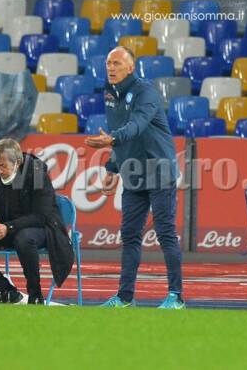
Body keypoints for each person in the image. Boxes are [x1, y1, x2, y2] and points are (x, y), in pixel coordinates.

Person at [84, 46, 185, 309]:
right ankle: (125, 297)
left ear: (130, 67)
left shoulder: (146, 91)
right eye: (108, 63)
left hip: (159, 170)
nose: (111, 67)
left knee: (165, 233)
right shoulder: (109, 93)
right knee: (129, 235)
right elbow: (120, 133)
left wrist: (113, 139)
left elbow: (137, 125)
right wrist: (112, 168)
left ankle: (176, 296)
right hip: (133, 172)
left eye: (116, 63)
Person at [0, 138, 74, 304]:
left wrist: (7, 227)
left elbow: (41, 216)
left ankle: (35, 295)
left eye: (3, 166)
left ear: (18, 162)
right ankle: (6, 291)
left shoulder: (37, 174)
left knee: (24, 238)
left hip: (42, 228)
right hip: (9, 229)